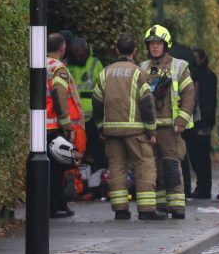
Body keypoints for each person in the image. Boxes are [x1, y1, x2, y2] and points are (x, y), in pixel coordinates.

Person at [92, 34, 163, 220]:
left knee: (116, 167)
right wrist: (151, 130)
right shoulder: (139, 73)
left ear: (117, 50)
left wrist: (101, 126)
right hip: (135, 131)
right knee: (144, 165)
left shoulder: (105, 73)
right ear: (135, 51)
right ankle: (147, 210)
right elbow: (147, 103)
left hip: (111, 130)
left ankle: (120, 210)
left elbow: (97, 102)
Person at [141, 25, 195, 219]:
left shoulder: (178, 66)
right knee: (154, 168)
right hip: (150, 127)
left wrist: (182, 119)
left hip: (171, 127)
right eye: (151, 44)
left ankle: (177, 208)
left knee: (171, 165)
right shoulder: (143, 67)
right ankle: (161, 206)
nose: (155, 47)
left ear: (166, 45)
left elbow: (189, 94)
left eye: (158, 43)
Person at [46, 32, 83, 218]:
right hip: (54, 127)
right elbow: (59, 93)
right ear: (62, 48)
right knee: (57, 169)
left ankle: (58, 204)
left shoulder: (40, 63)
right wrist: (67, 124)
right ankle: (55, 206)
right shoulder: (58, 68)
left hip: (40, 127)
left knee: (49, 169)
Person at [66, 37, 106, 170]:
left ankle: (99, 181)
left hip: (92, 119)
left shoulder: (95, 63)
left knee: (97, 150)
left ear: (87, 51)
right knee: (72, 151)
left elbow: (103, 89)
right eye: (75, 55)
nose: (78, 58)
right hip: (72, 119)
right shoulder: (66, 64)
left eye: (81, 55)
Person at [185, 48, 217, 199]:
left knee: (201, 157)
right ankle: (202, 187)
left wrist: (206, 123)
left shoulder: (205, 76)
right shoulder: (202, 75)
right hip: (197, 120)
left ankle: (204, 188)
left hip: (200, 121)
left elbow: (208, 101)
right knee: (197, 156)